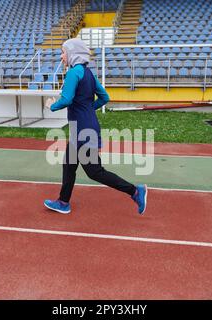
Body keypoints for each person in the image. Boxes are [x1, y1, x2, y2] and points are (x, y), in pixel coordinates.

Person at [43, 38, 147, 215]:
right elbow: (105, 98)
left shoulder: (73, 73)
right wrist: (89, 109)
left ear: (72, 53)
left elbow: (66, 99)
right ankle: (63, 202)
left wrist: (51, 105)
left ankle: (135, 191)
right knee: (69, 164)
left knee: (95, 172)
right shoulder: (88, 73)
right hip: (84, 127)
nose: (61, 56)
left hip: (83, 130)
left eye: (63, 52)